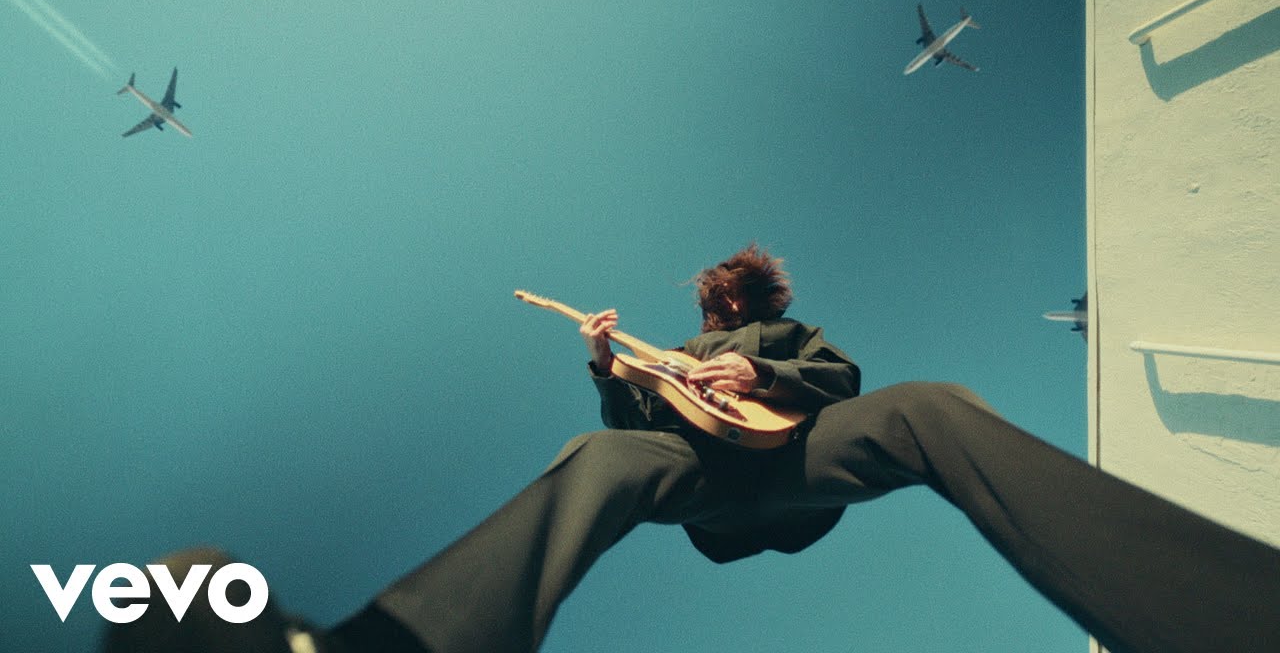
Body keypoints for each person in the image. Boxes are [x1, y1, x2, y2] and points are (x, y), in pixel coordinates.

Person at [105, 244, 1280, 653]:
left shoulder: (780, 335)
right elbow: (639, 440)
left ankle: (1224, 615)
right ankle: (403, 644)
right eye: (711, 303)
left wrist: (762, 374)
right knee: (602, 460)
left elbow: (839, 379)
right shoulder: (665, 354)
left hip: (802, 461)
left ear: (750, 297)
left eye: (729, 297)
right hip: (709, 485)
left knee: (927, 406)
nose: (715, 308)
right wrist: (608, 368)